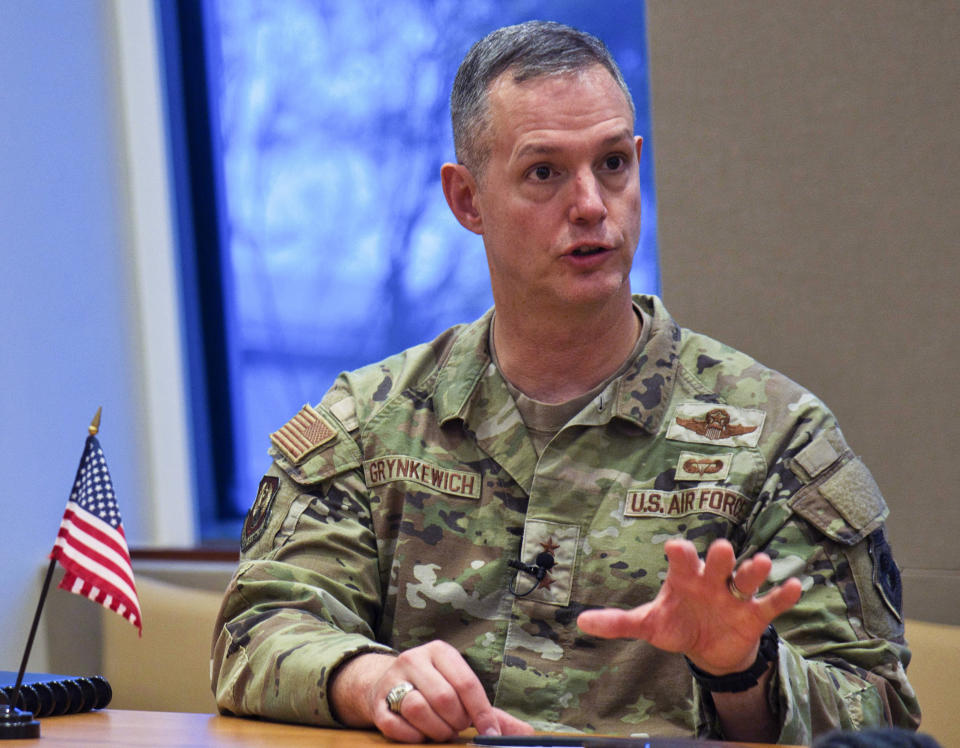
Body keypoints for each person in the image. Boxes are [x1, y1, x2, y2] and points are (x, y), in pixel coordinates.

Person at [211, 21, 920, 745]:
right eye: (545, 172)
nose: (590, 204)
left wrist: (744, 670)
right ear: (467, 200)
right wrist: (370, 680)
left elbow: (882, 716)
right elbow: (257, 631)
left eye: (612, 164)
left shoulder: (776, 438)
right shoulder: (370, 424)